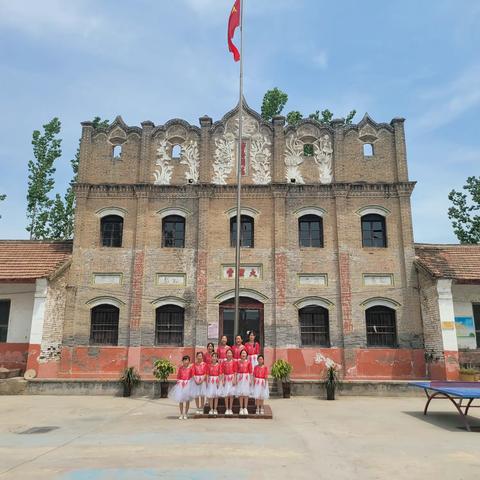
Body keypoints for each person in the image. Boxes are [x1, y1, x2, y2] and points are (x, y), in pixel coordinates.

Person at [168, 355, 193, 420]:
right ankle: (181, 414)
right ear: (182, 361)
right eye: (184, 360)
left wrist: (189, 382)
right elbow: (178, 377)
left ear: (189, 361)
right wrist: (179, 382)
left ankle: (186, 414)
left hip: (188, 385)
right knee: (181, 400)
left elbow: (192, 377)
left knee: (187, 400)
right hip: (181, 385)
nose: (185, 361)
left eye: (187, 360)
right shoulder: (180, 368)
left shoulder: (190, 369)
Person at [235, 349, 252, 416]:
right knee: (241, 393)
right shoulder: (237, 362)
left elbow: (250, 372)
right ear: (240, 355)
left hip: (246, 377)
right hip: (240, 377)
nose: (243, 355)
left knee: (246, 393)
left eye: (244, 353)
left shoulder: (249, 362)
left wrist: (251, 380)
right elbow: (236, 371)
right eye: (242, 353)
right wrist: (235, 379)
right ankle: (241, 408)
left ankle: (245, 408)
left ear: (246, 355)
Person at [220, 348, 237, 415]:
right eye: (228, 353)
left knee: (231, 395)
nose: (229, 354)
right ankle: (227, 409)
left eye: (230, 353)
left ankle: (230, 409)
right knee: (226, 394)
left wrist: (234, 379)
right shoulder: (224, 362)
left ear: (232, 354)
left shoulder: (234, 362)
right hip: (226, 378)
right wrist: (223, 380)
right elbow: (222, 372)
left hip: (232, 378)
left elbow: (235, 371)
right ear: (226, 354)